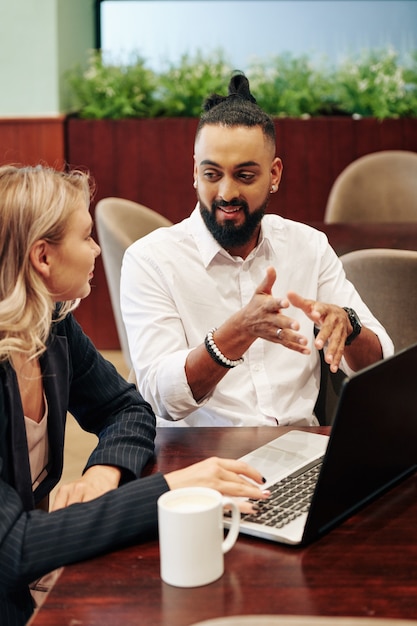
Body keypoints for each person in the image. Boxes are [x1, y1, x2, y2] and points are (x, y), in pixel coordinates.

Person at [0, 164, 269, 626]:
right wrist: (171, 488)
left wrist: (104, 473)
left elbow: (126, 406)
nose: (96, 248)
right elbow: (17, 546)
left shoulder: (52, 329)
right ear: (43, 258)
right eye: (85, 237)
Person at [120, 72, 394, 427]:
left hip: (300, 449)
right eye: (212, 175)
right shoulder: (151, 260)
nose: (227, 193)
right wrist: (237, 333)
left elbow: (378, 368)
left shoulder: (308, 247)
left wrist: (349, 327)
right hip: (201, 457)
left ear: (274, 174)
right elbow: (161, 397)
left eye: (245, 176)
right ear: (195, 172)